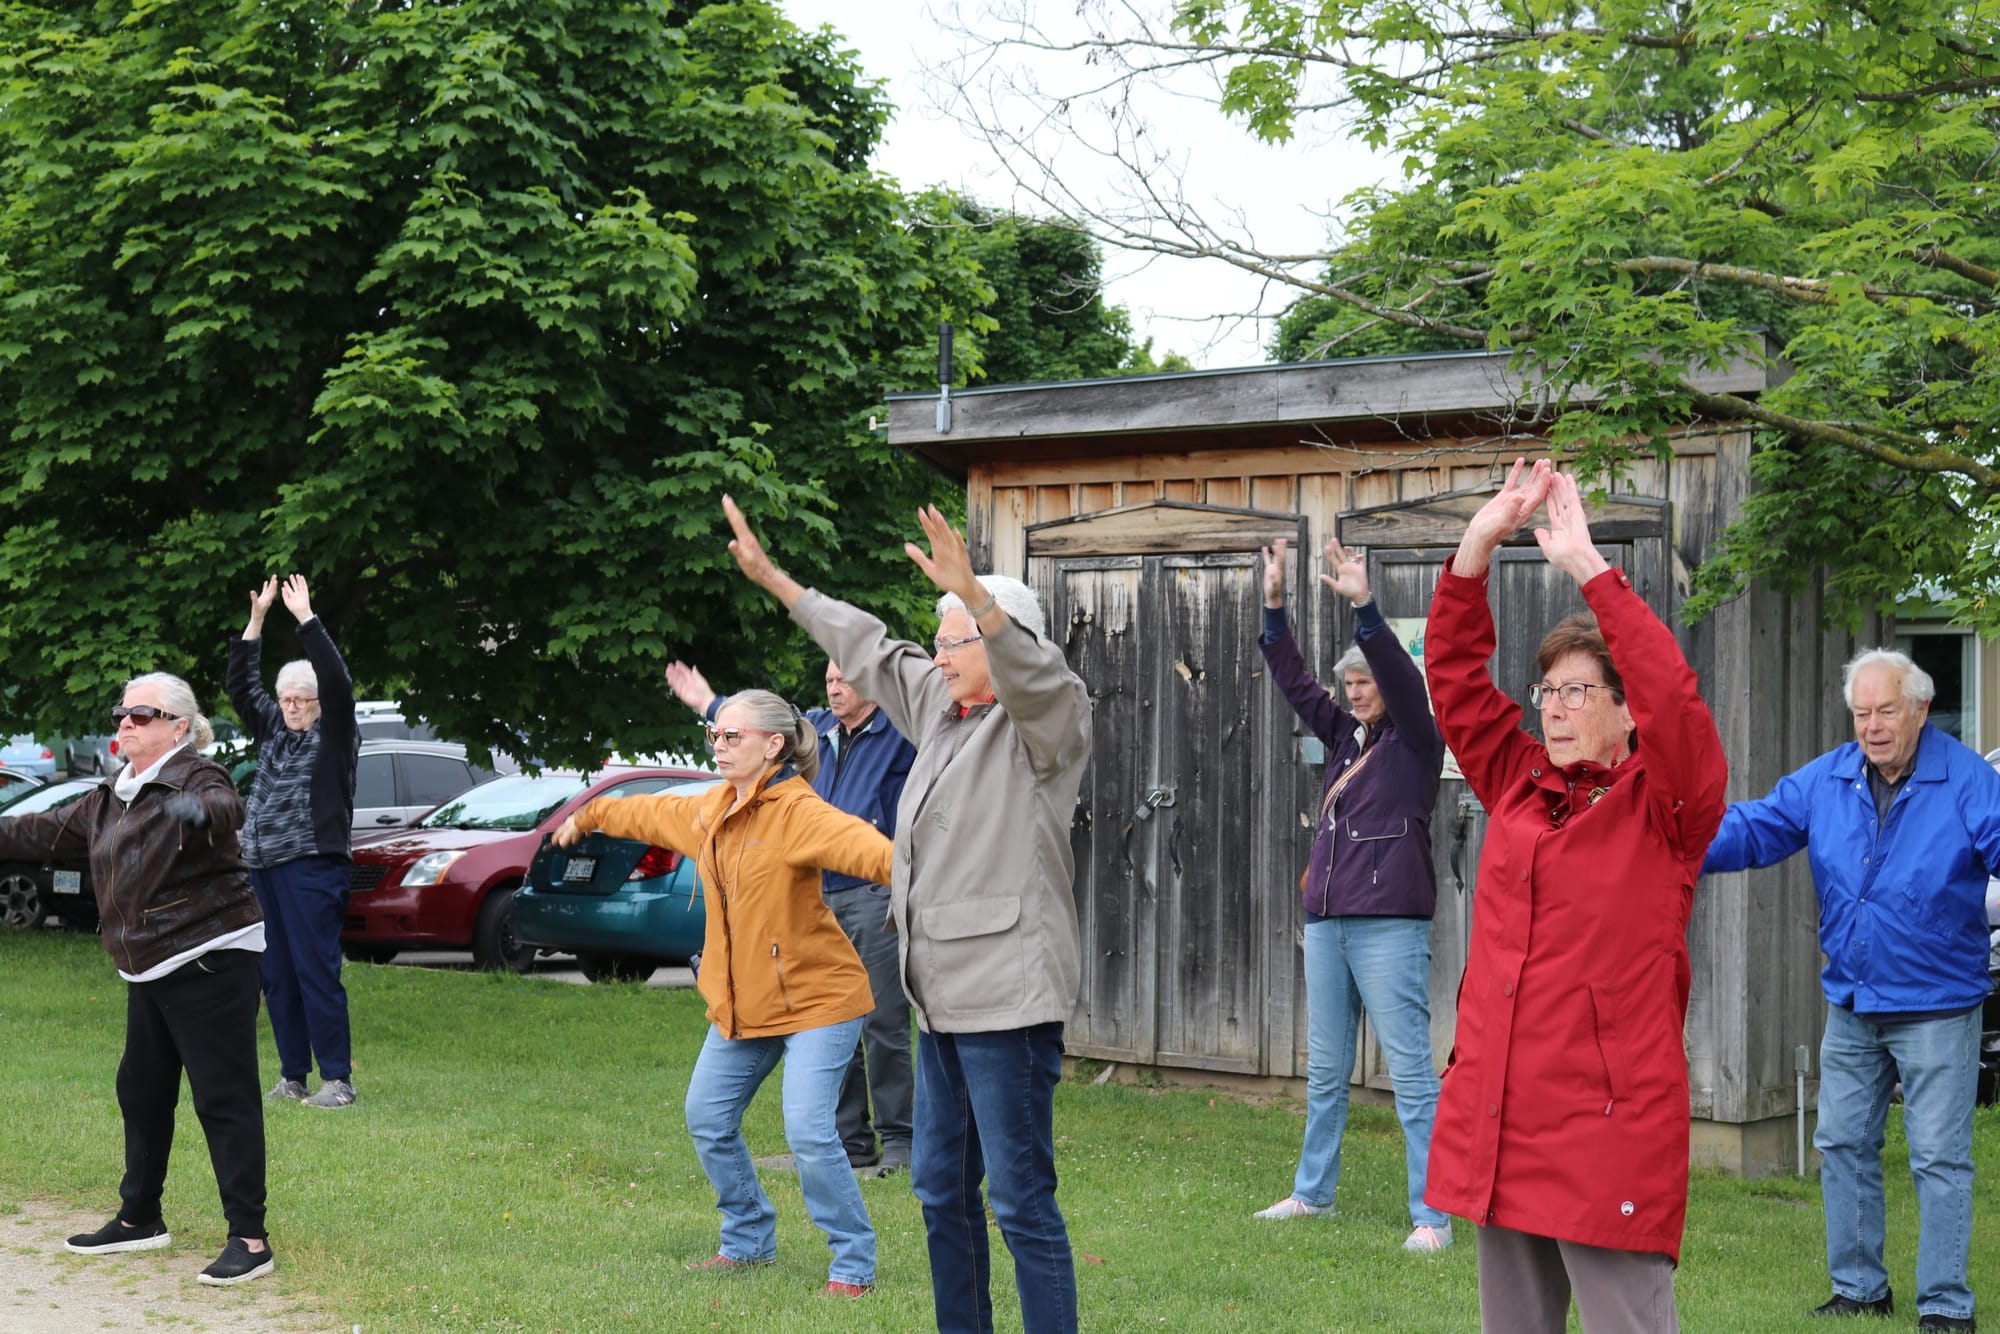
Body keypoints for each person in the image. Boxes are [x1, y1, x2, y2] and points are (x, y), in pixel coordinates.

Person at [719, 496, 1092, 1334]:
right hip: (943, 1000)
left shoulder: (1047, 724)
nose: (939, 655)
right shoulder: (943, 712)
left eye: (956, 642)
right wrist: (779, 582)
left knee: (1021, 1200)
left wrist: (983, 605)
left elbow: (1038, 675)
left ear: (1000, 645)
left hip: (1008, 1001)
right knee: (938, 1191)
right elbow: (870, 648)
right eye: (943, 640)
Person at [1422, 461, 1727, 1333]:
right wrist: (1477, 545)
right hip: (1502, 1111)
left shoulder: (1665, 806)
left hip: (1603, 1129)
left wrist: (1593, 571)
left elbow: (1677, 700)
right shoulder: (1520, 781)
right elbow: (1457, 684)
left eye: (1578, 692)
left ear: (1625, 714)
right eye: (1547, 691)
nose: (1553, 709)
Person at [553, 689, 893, 1298]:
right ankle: (747, 1239)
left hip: (819, 1001)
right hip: (744, 1003)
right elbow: (647, 814)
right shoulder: (711, 810)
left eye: (733, 736)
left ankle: (852, 1264)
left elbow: (869, 850)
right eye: (716, 735)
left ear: (774, 746)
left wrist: (929, 873)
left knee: (810, 1131)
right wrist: (588, 817)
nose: (720, 744)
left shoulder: (799, 814)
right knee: (707, 1117)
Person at [1703, 650, 1997, 1332]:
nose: (1872, 726)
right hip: (1855, 1002)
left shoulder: (1966, 779)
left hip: (1938, 1005)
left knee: (1939, 1157)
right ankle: (1861, 1290)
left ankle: (1946, 1307)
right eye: (1862, 712)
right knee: (1840, 1143)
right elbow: (1754, 828)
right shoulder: (1829, 777)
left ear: (1921, 711)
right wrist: (1674, 838)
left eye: (1887, 711)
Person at [0, 674, 275, 1285]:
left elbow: (227, 808)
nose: (125, 722)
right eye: (121, 713)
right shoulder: (112, 795)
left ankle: (250, 1240)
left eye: (141, 714)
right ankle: (139, 1219)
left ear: (178, 725)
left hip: (208, 957)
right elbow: (39, 832)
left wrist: (199, 810)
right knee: (142, 1091)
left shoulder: (198, 777)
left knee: (222, 1097)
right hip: (149, 964)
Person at [1252, 534, 1452, 1252]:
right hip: (1329, 923)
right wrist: (1275, 607)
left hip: (1390, 925)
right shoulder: (1345, 738)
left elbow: (1399, 675)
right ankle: (1313, 1195)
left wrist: (1365, 606)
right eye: (1352, 683)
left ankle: (1433, 1216)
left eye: (1368, 680)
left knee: (1410, 1075)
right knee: (1328, 1070)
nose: (1357, 691)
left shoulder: (1418, 738)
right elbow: (1295, 680)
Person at [664, 658, 917, 1174]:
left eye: (845, 678)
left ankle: (901, 1140)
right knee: (826, 1019)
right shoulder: (818, 729)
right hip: (813, 892)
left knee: (884, 1020)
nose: (834, 686)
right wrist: (707, 703)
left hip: (869, 891)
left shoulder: (899, 731)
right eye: (829, 679)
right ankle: (852, 1143)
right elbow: (761, 726)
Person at [228, 573, 362, 1109]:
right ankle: (292, 1077)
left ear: (317, 703)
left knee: (315, 970)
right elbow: (241, 685)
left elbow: (337, 682)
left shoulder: (335, 735)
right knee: (277, 976)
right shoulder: (276, 730)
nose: (291, 707)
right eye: (286, 699)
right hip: (263, 867)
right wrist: (257, 621)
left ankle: (338, 1080)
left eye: (302, 700)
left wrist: (306, 620)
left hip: (311, 867)